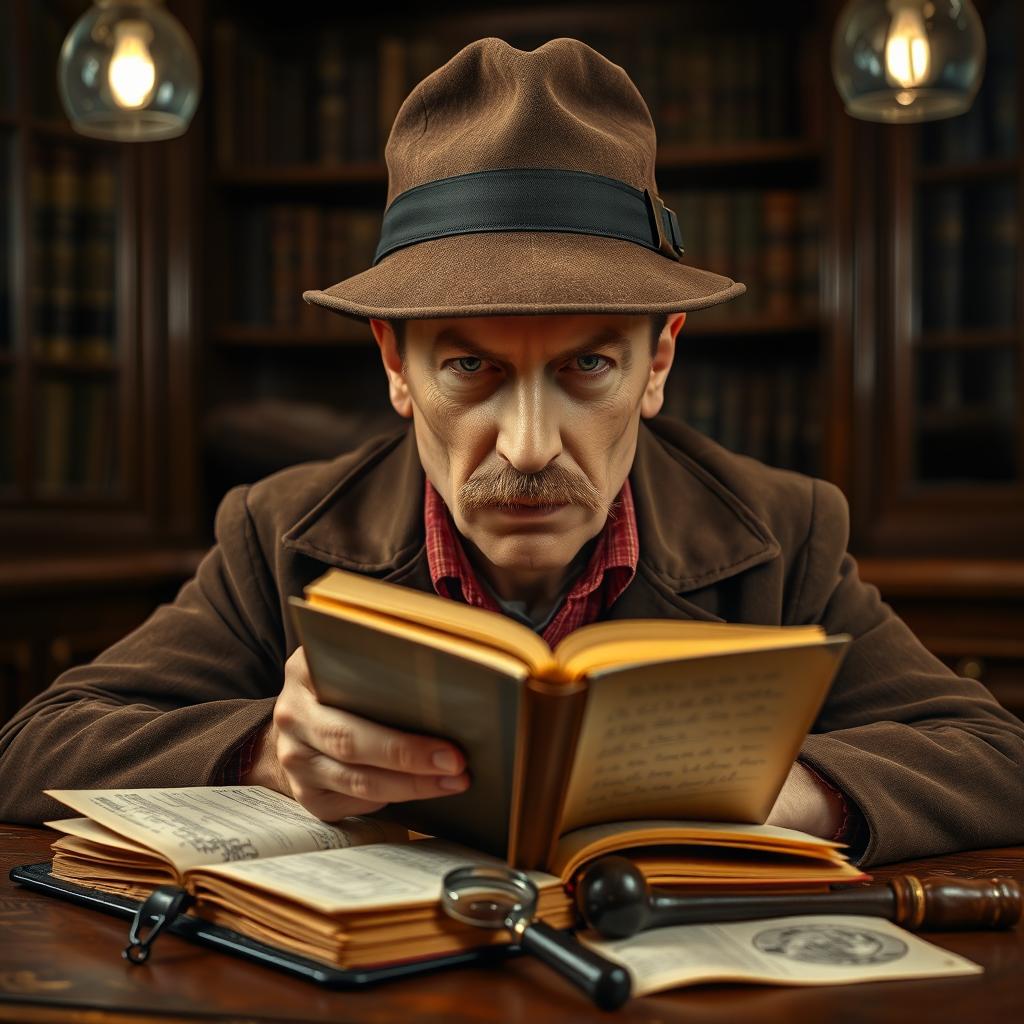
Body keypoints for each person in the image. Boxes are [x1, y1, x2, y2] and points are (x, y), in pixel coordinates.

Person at [1, 38, 1022, 868]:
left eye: (587, 365)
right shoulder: (273, 531)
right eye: (468, 369)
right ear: (394, 367)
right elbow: (37, 743)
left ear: (658, 361)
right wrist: (265, 752)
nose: (530, 448)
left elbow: (995, 755)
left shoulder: (790, 530)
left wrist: (779, 792)